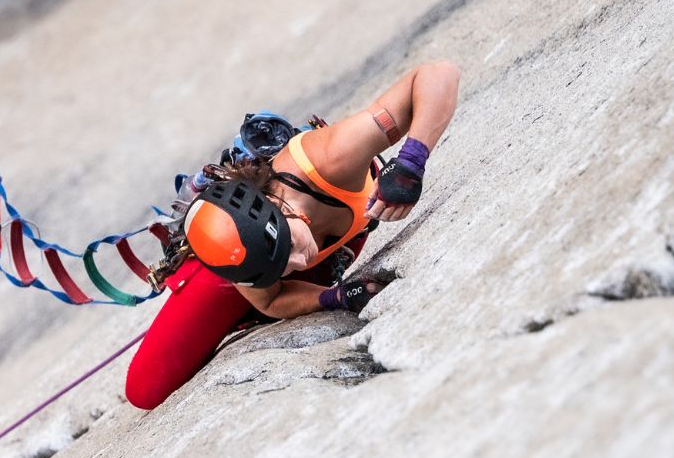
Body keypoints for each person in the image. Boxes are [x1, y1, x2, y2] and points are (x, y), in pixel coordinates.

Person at [126, 62, 461, 411]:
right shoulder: (238, 254)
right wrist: (335, 297)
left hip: (275, 241)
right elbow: (269, 300)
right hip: (236, 269)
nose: (301, 262)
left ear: (284, 210)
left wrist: (411, 162)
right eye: (285, 265)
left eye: (290, 251)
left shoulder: (332, 159)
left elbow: (439, 73)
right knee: (145, 389)